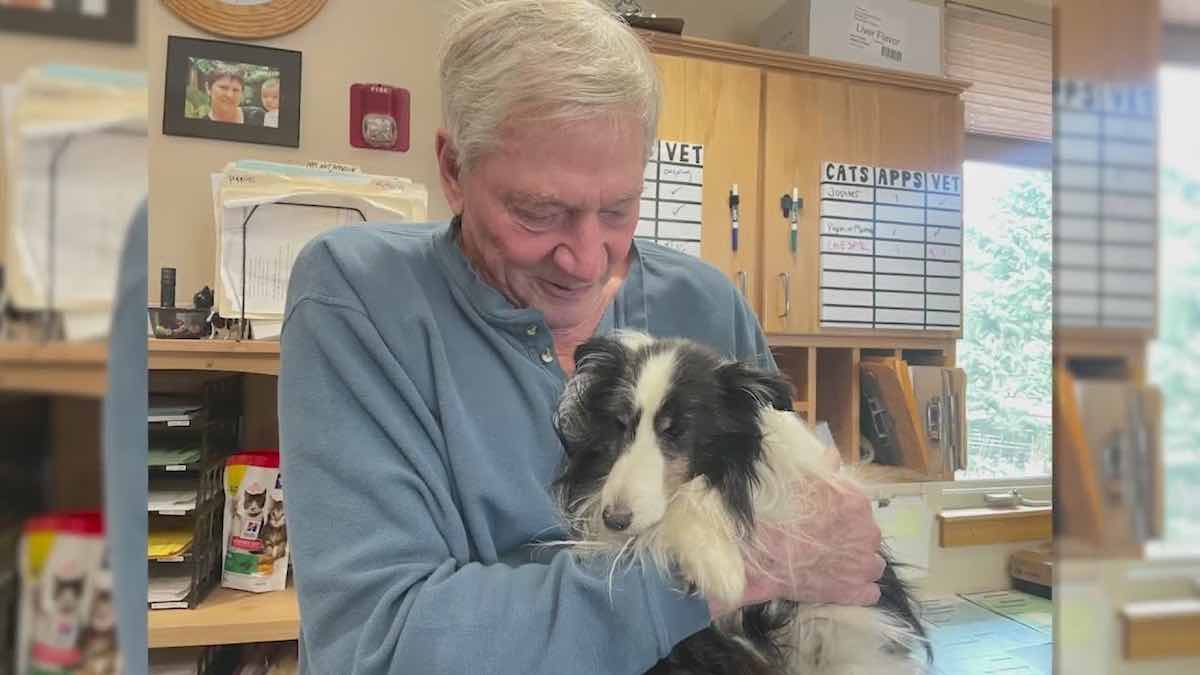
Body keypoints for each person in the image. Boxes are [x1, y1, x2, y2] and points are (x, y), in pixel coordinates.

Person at [278, 1, 884, 673]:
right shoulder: (361, 296)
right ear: (453, 170)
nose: (588, 260)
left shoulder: (706, 303)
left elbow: (817, 532)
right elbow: (381, 645)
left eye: (619, 209)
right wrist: (724, 570)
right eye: (540, 212)